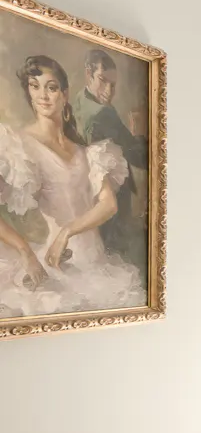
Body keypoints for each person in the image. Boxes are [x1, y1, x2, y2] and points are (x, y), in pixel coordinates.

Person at [0, 55, 145, 319]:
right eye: (35, 86)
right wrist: (24, 250)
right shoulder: (19, 147)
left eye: (51, 87)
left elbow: (108, 204)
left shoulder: (88, 152)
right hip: (58, 264)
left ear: (65, 94)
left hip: (97, 264)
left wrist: (67, 231)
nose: (43, 95)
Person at [71, 48, 147, 267]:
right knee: (117, 259)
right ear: (88, 73)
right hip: (109, 199)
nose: (108, 91)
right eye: (103, 81)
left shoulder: (79, 99)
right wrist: (139, 134)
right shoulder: (103, 113)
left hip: (87, 199)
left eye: (113, 85)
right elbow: (139, 157)